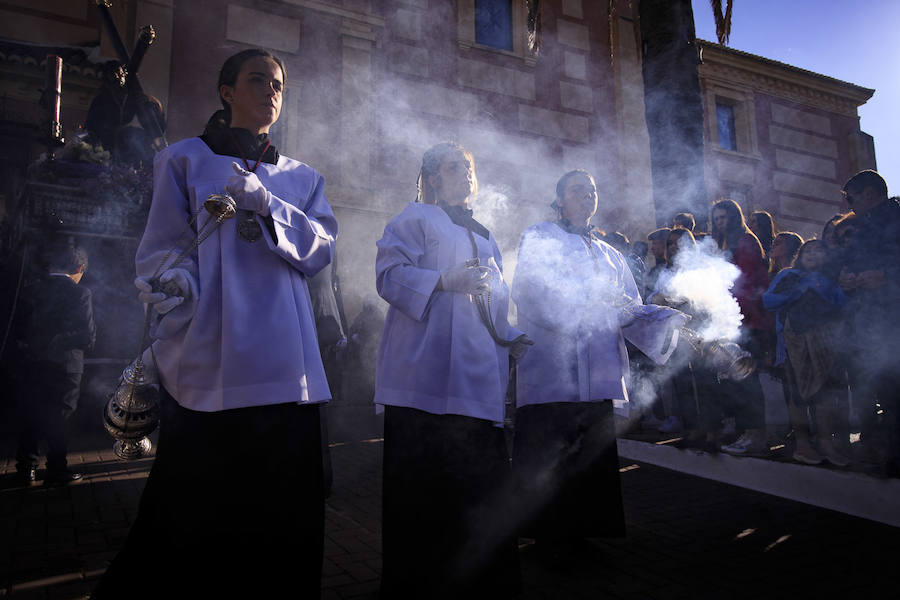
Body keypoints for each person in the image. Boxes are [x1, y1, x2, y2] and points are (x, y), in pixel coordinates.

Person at [92, 49, 336, 599]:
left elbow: (321, 251)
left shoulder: (302, 178)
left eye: (278, 84)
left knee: (281, 516)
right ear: (226, 91)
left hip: (284, 365)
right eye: (258, 80)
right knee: (193, 512)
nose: (271, 91)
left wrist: (267, 203)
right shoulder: (183, 160)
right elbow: (162, 250)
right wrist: (175, 282)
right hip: (213, 361)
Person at [374, 142, 531, 598]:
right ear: (432, 178)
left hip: (475, 380)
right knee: (421, 494)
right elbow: (388, 275)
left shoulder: (485, 234)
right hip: (421, 379)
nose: (463, 172)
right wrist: (443, 281)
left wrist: (508, 335)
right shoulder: (413, 219)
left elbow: (495, 298)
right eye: (452, 167)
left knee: (478, 488)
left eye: (467, 166)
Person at [511, 169, 685, 558]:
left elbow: (628, 307)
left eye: (592, 191)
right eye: (578, 191)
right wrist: (581, 315)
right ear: (559, 199)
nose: (588, 197)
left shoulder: (609, 253)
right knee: (549, 452)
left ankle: (584, 529)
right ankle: (548, 534)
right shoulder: (541, 236)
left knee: (588, 452)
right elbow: (529, 291)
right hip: (553, 370)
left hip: (598, 369)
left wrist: (662, 320)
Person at [14, 240, 95, 486]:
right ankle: (57, 469)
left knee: (32, 413)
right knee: (61, 416)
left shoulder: (31, 289)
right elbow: (87, 337)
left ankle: (26, 469)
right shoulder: (81, 292)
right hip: (65, 366)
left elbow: (19, 329)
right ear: (80, 268)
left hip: (32, 362)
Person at [764, 240, 850, 466]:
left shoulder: (829, 280)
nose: (813, 254)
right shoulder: (788, 276)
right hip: (793, 345)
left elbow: (843, 307)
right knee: (797, 396)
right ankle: (802, 444)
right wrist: (796, 291)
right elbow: (768, 301)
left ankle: (825, 443)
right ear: (800, 256)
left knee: (824, 394)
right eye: (808, 250)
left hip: (825, 344)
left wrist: (822, 292)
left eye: (819, 250)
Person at [838, 170, 900, 476]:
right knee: (886, 394)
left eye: (852, 197)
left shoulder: (895, 220)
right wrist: (847, 279)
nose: (850, 204)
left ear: (871, 194)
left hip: (894, 320)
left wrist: (886, 276)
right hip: (871, 323)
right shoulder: (863, 227)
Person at [711, 199, 772, 455]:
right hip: (733, 321)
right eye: (716, 219)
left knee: (747, 379)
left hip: (749, 320)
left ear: (734, 218)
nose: (720, 223)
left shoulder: (745, 241)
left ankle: (757, 436)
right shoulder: (725, 244)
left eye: (724, 218)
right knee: (735, 381)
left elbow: (743, 281)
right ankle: (747, 432)